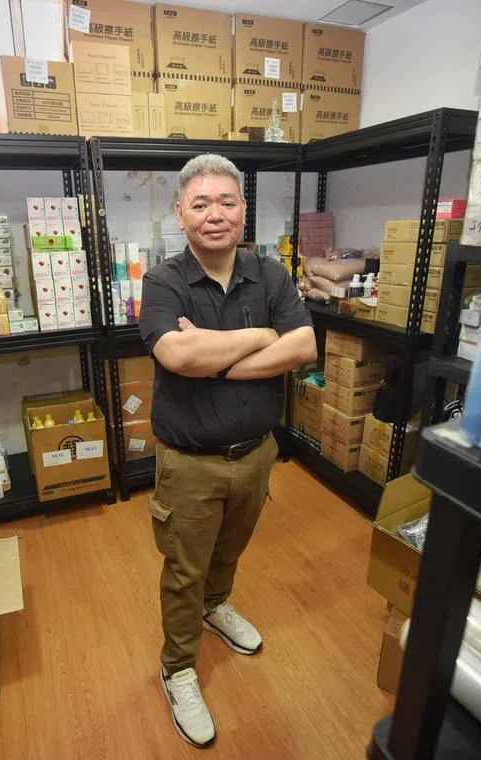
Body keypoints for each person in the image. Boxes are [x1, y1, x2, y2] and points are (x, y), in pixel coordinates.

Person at [139, 154, 318, 747]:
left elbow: (304, 348)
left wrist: (216, 363)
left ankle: (217, 607)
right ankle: (178, 669)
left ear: (244, 209)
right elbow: (177, 355)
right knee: (184, 569)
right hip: (190, 463)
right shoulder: (163, 281)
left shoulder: (270, 274)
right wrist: (262, 336)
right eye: (200, 204)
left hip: (258, 453)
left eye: (227, 202)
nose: (214, 214)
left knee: (230, 551)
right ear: (181, 214)